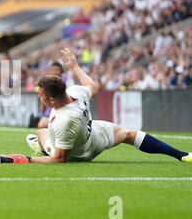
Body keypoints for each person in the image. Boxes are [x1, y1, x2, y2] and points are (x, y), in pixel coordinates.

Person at [26, 48, 192, 163]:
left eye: (41, 96)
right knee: (129, 134)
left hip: (78, 154)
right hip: (92, 136)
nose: (40, 98)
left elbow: (60, 159)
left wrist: (28, 160)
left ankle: (43, 146)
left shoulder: (66, 119)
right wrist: (75, 67)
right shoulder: (75, 92)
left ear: (52, 100)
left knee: (42, 133)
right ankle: (182, 155)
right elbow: (93, 87)